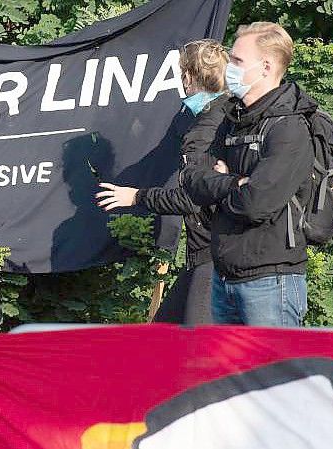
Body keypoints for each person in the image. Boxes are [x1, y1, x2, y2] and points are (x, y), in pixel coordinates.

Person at [181, 22, 315, 326]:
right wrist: (235, 182)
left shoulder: (289, 127)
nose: (230, 68)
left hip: (270, 282)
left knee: (272, 373)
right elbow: (192, 181)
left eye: (238, 61)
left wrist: (223, 185)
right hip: (224, 275)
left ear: (266, 67)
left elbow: (255, 204)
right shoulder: (231, 119)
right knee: (228, 373)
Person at [95, 39, 230, 324]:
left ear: (188, 76)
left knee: (196, 350)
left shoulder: (206, 129)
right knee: (162, 335)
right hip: (207, 255)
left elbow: (193, 198)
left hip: (216, 258)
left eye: (182, 72)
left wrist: (136, 197)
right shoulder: (220, 114)